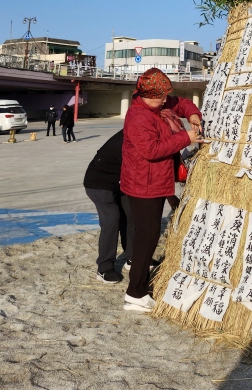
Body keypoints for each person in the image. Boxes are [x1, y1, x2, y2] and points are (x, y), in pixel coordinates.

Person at [120, 68, 202, 313]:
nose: (166, 100)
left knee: (150, 234)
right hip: (143, 185)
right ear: (146, 94)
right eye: (161, 97)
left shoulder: (159, 105)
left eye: (166, 96)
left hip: (155, 182)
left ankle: (138, 288)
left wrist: (194, 116)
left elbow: (183, 103)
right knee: (147, 238)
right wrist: (186, 137)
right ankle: (135, 294)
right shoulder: (139, 116)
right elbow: (152, 150)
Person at [84, 130, 134, 283]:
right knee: (112, 220)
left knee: (132, 214)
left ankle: (132, 258)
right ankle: (104, 268)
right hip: (99, 183)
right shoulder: (134, 134)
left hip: (120, 182)